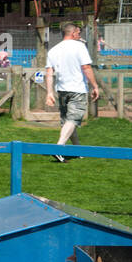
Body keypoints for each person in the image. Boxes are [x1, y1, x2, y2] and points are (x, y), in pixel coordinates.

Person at [44, 21, 101, 162]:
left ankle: (77, 150)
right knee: (73, 119)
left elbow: (49, 73)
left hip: (62, 90)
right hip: (77, 89)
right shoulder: (80, 47)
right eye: (79, 32)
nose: (79, 35)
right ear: (73, 32)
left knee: (69, 122)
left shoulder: (53, 50)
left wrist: (49, 92)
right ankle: (59, 147)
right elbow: (86, 68)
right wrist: (95, 86)